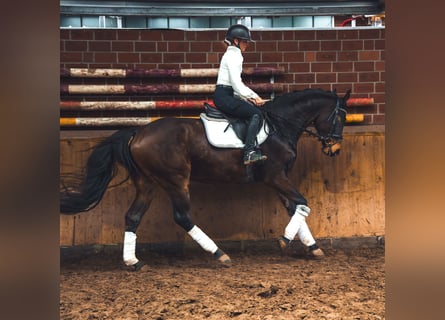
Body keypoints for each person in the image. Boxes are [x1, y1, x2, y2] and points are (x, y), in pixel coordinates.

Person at [213, 24, 267, 165]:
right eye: (245, 41)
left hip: (228, 94)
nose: (247, 44)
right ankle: (248, 152)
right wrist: (254, 96)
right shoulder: (233, 56)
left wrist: (249, 98)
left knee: (253, 109)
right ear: (236, 41)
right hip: (224, 96)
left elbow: (235, 87)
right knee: (256, 114)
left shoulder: (234, 55)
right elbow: (236, 83)